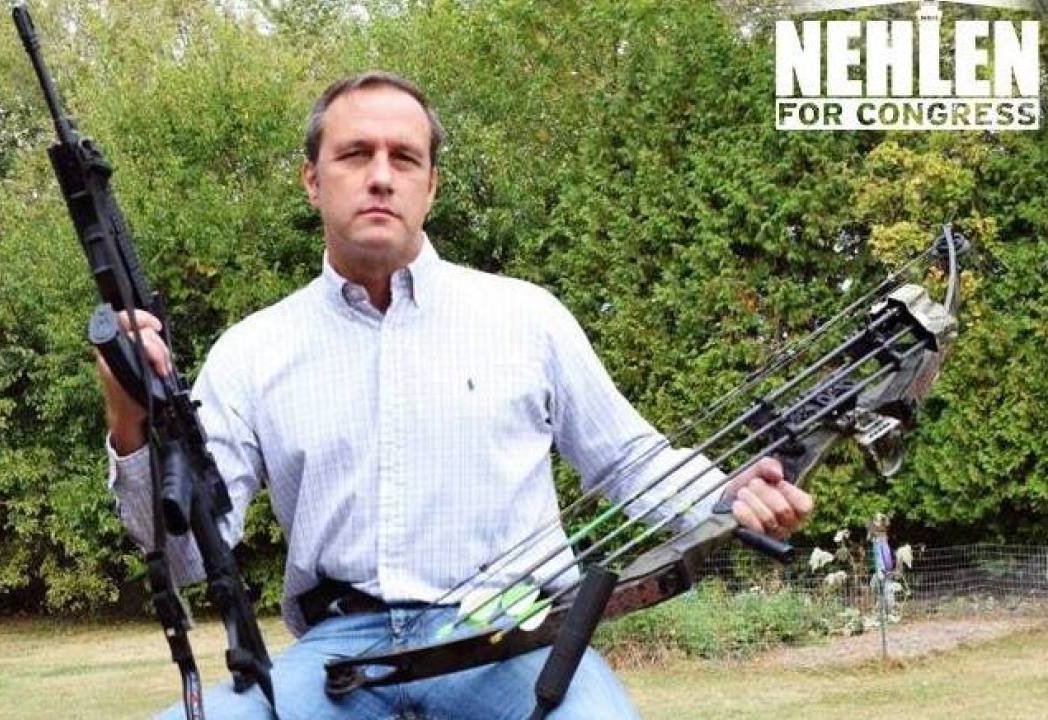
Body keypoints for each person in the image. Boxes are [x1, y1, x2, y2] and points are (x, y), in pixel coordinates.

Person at [99, 71, 813, 720]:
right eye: (355, 155)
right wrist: (129, 419)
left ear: (431, 186)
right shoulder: (252, 350)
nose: (381, 177)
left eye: (404, 158)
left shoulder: (527, 317)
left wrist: (725, 496)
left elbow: (629, 461)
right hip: (340, 658)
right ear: (312, 180)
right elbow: (189, 558)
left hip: (512, 636)